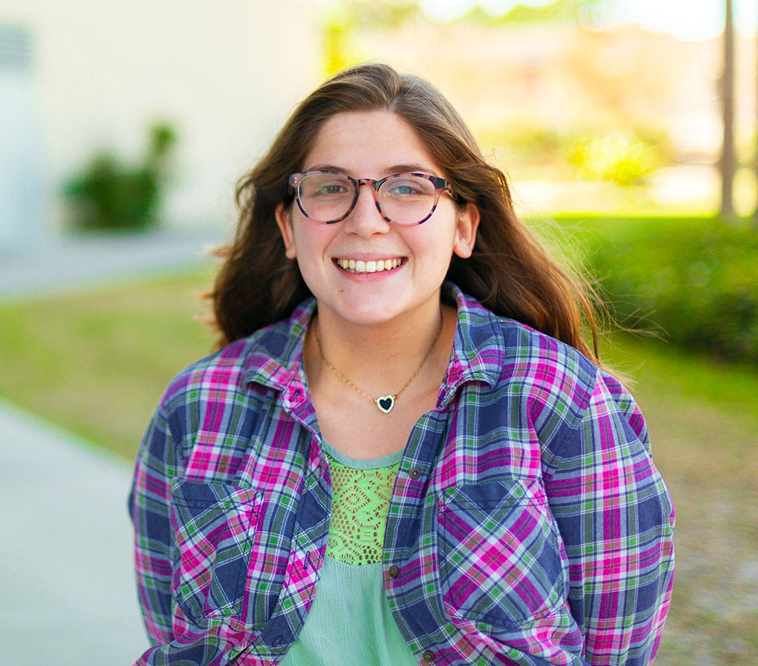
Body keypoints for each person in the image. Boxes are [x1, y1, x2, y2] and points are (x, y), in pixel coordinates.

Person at [128, 63, 675, 666]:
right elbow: (177, 640)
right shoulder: (200, 407)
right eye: (330, 187)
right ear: (288, 226)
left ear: (463, 225)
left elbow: (619, 648)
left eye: (408, 187)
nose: (366, 221)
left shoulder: (560, 399)